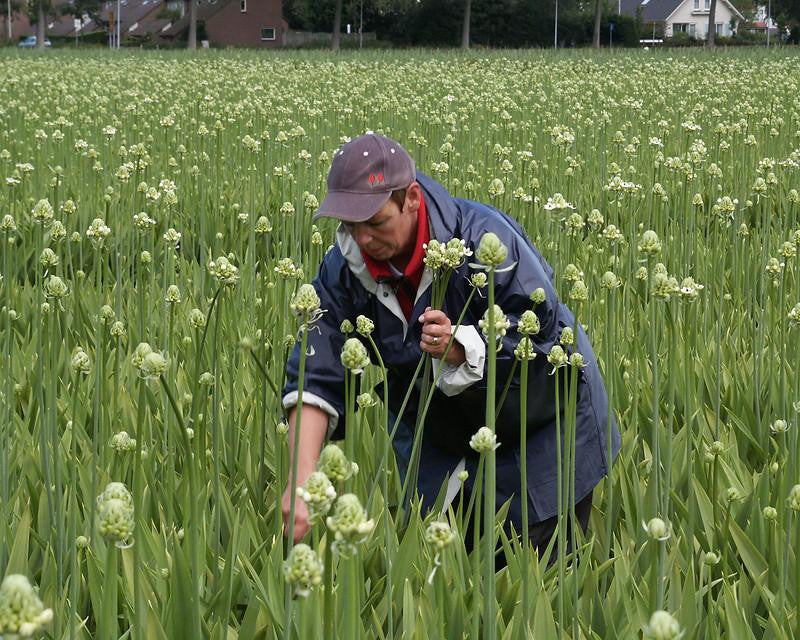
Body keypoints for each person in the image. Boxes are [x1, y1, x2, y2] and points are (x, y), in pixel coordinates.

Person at [281, 132, 620, 562]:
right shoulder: (344, 268)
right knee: (449, 566)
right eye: (350, 226)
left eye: (375, 223)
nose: (363, 240)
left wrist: (465, 347)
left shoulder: (484, 240)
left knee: (534, 573)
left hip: (542, 420)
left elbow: (544, 337)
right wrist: (301, 478)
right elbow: (318, 367)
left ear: (412, 200)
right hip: (441, 429)